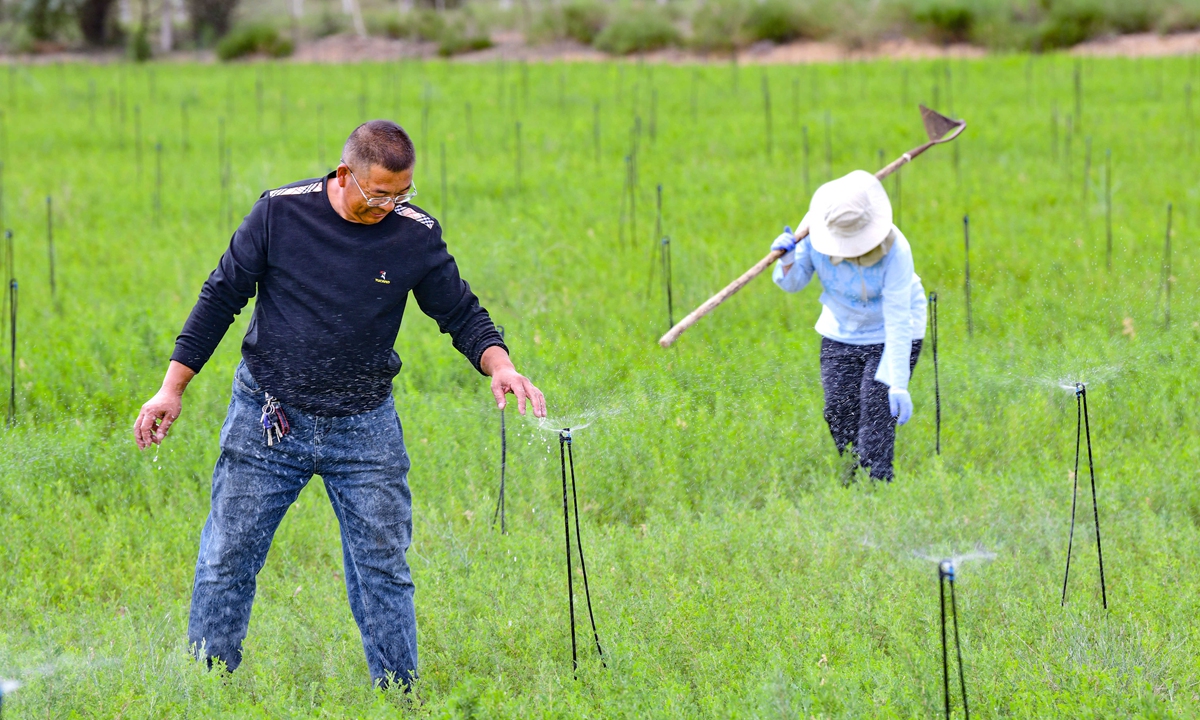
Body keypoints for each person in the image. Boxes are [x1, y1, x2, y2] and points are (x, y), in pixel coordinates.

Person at [132, 120, 546, 688]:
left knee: (383, 566)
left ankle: (398, 693)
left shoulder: (414, 234)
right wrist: (171, 388)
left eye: (403, 194)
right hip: (269, 417)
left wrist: (501, 365)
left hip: (365, 425)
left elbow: (460, 312)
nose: (390, 206)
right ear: (345, 174)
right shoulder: (280, 214)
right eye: (379, 193)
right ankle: (209, 685)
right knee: (228, 556)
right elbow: (221, 295)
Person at [771, 170, 926, 482]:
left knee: (876, 413)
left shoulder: (897, 250)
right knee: (839, 410)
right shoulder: (814, 232)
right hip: (841, 329)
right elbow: (795, 281)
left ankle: (877, 487)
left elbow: (898, 318)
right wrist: (787, 260)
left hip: (891, 330)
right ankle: (852, 477)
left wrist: (897, 382)